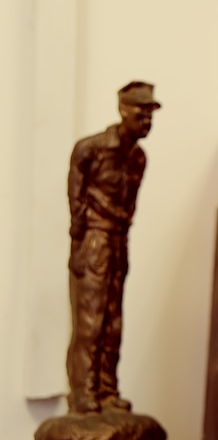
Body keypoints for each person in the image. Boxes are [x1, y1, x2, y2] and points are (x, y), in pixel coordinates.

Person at [66, 81, 161, 414]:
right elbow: (76, 204)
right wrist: (84, 245)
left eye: (151, 112)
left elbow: (129, 205)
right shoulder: (90, 149)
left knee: (113, 321)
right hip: (94, 239)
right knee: (90, 320)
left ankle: (106, 390)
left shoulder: (138, 158)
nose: (147, 119)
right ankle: (83, 393)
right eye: (141, 111)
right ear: (123, 110)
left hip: (119, 239)